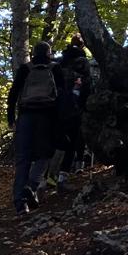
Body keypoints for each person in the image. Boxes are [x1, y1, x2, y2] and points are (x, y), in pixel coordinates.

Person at [6, 40, 63, 211]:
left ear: (33, 53)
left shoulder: (25, 68)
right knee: (44, 155)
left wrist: (11, 118)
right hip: (47, 117)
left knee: (23, 159)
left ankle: (19, 203)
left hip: (25, 117)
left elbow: (13, 93)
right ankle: (30, 187)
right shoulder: (55, 68)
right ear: (48, 53)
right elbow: (62, 95)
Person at [44, 36, 92, 188]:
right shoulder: (82, 62)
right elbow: (87, 83)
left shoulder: (58, 61)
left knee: (54, 142)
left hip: (54, 107)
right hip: (74, 106)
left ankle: (46, 177)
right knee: (72, 142)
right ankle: (62, 178)